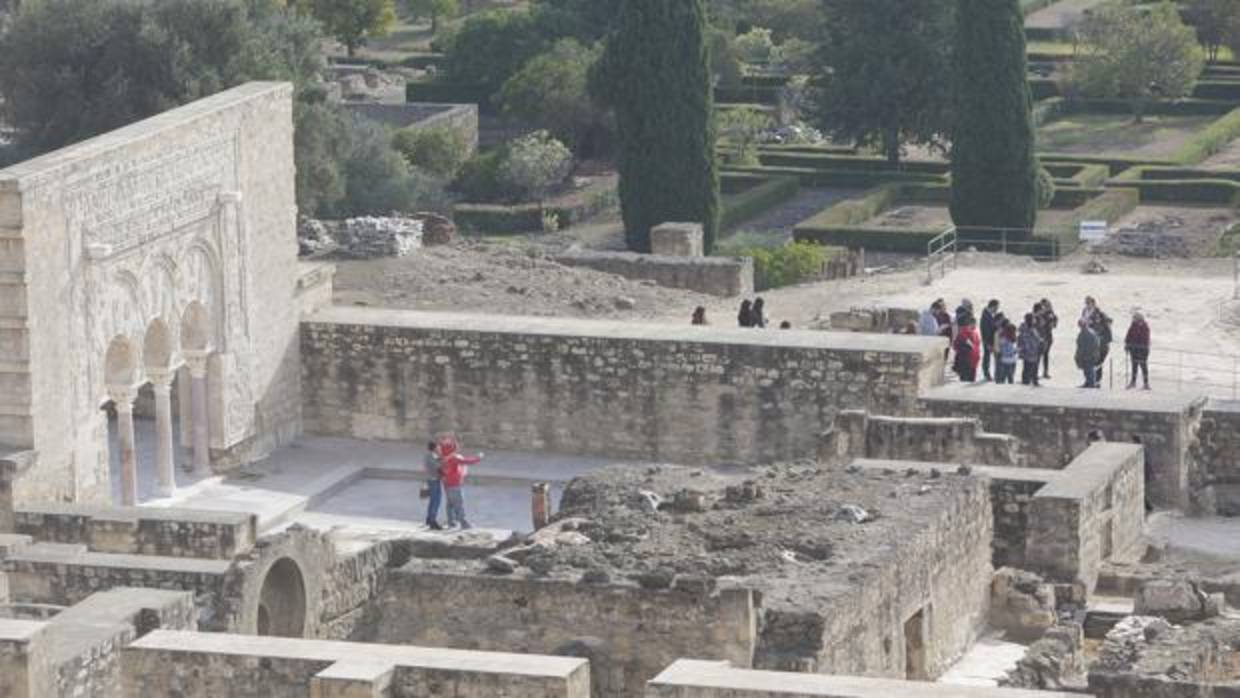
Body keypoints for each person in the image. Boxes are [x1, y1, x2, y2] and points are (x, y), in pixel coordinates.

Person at [438, 436, 484, 530]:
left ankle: (451, 522)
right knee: (458, 503)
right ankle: (463, 523)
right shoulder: (454, 458)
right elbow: (467, 461)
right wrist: (478, 457)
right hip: (455, 484)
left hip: (446, 484)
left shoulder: (442, 458)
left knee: (450, 504)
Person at [1125, 311, 1151, 390]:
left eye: (1135, 318)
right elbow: (1128, 335)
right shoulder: (1133, 326)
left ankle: (1146, 383)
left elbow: (1144, 339)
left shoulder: (1145, 327)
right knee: (1134, 366)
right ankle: (1133, 382)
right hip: (1133, 350)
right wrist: (1127, 344)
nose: (1133, 320)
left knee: (1143, 366)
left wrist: (1138, 346)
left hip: (1142, 350)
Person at [952, 314, 981, 382]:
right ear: (970, 324)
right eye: (974, 324)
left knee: (971, 381)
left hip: (973, 362)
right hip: (966, 362)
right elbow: (956, 346)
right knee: (965, 381)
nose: (975, 326)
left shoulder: (975, 333)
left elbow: (977, 346)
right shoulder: (963, 333)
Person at [423, 441, 443, 530]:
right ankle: (433, 521)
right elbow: (438, 467)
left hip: (433, 480)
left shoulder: (431, 455)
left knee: (432, 501)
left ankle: (429, 518)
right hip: (433, 481)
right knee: (436, 501)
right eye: (438, 447)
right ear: (434, 448)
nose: (439, 448)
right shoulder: (430, 456)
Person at [1035, 299, 1058, 379]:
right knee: (1038, 355)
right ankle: (1035, 372)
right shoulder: (1038, 315)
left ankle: (1045, 372)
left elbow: (1054, 325)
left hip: (1048, 336)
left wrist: (1052, 321)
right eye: (1044, 306)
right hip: (1040, 336)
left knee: (1045, 355)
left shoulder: (1051, 314)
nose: (1045, 307)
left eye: (1047, 305)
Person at [1018, 313, 1043, 387]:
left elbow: (1037, 338)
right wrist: (1030, 349)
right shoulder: (1025, 329)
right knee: (1027, 367)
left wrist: (1040, 342)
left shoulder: (1032, 328)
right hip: (1029, 351)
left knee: (1033, 367)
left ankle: (1033, 380)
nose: (1034, 320)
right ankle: (1026, 382)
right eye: (1033, 319)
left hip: (1034, 351)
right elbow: (1025, 340)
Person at [1076, 319, 1101, 388]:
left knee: (1089, 369)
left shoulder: (1089, 333)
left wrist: (1093, 353)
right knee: (1086, 369)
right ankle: (1088, 382)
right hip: (1086, 354)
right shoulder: (1086, 333)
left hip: (1089, 354)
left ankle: (1091, 383)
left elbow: (1094, 344)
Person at [980, 299, 1001, 382]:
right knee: (986, 358)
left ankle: (988, 374)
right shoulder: (985, 315)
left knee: (987, 357)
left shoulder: (988, 314)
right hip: (987, 341)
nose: (997, 309)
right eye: (997, 307)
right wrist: (988, 343)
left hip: (990, 340)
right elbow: (985, 331)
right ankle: (986, 374)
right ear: (993, 306)